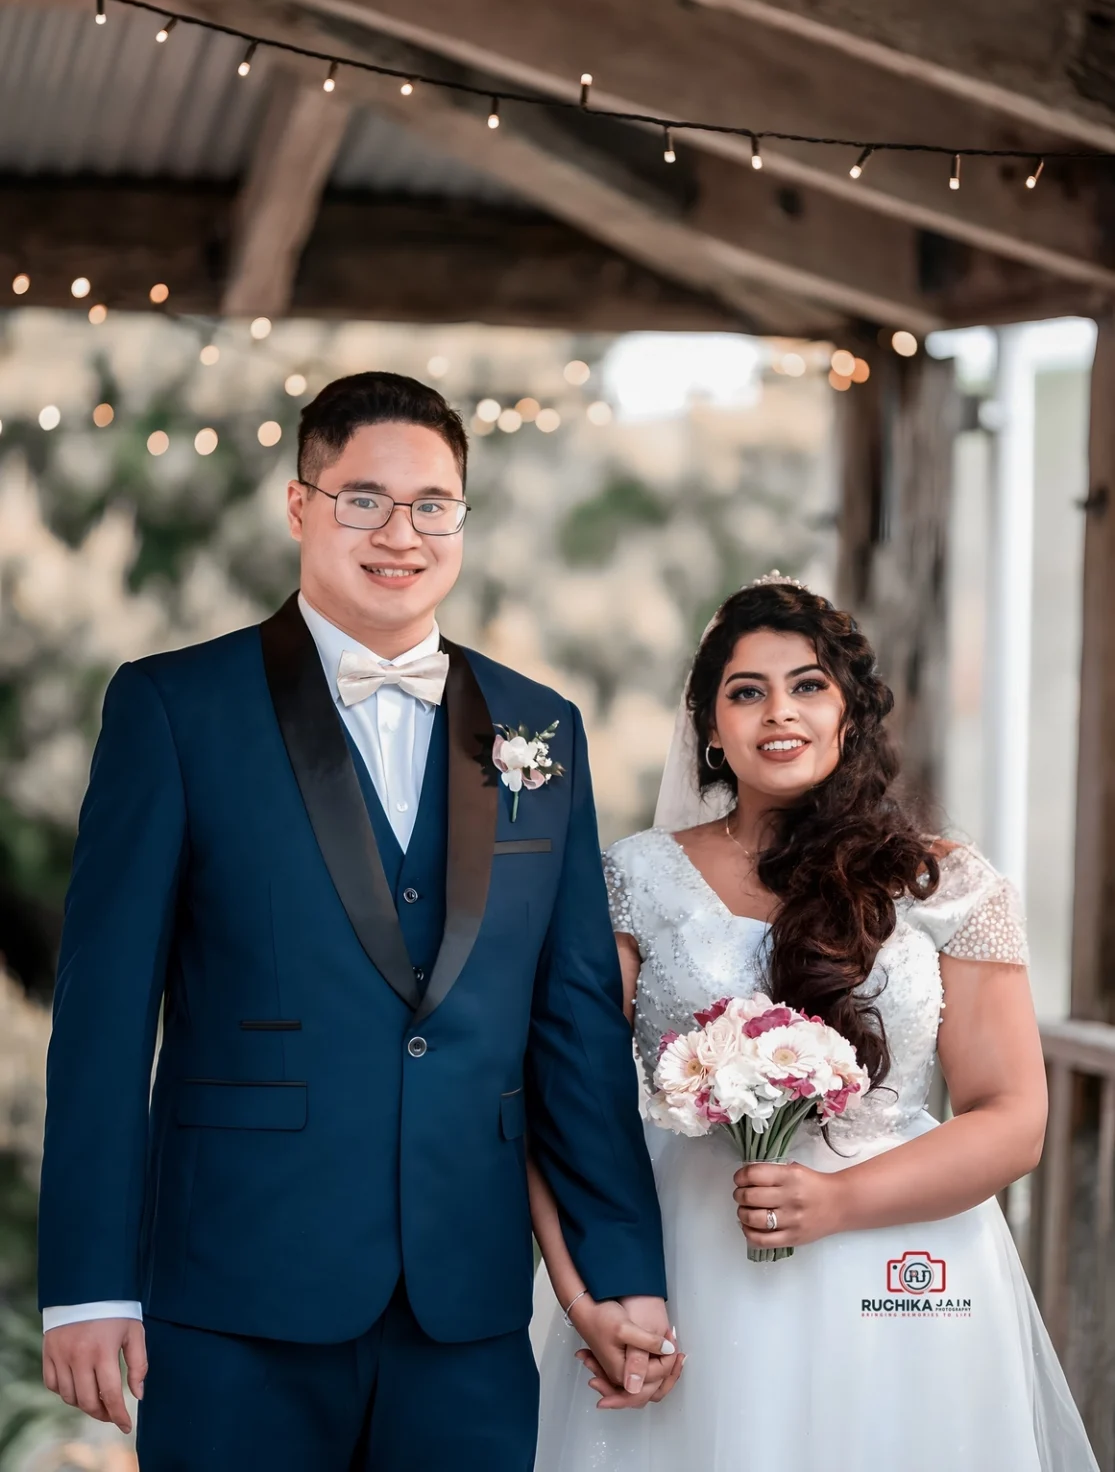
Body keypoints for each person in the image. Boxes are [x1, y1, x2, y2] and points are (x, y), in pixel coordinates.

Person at [37, 372, 675, 1471]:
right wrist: (88, 1285)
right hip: (236, 1293)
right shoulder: (173, 709)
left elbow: (572, 1025)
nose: (402, 533)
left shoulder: (539, 726)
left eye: (433, 505)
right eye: (363, 499)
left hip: (466, 1306)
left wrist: (621, 1274)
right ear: (300, 507)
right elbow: (102, 1019)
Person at [531, 574, 1099, 1471]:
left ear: (848, 713)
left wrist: (838, 1202)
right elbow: (566, 1099)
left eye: (806, 686)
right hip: (690, 1256)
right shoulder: (635, 878)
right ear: (708, 728)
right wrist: (583, 1295)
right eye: (745, 692)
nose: (776, 713)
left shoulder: (945, 884)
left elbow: (1012, 1118)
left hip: (900, 1260)